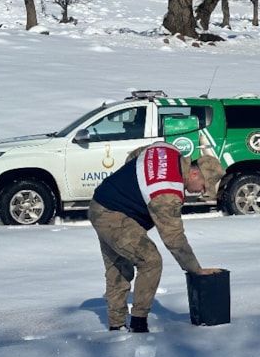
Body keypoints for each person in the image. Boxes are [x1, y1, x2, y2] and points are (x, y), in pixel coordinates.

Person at [88, 142, 226, 333]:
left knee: (119, 268)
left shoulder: (167, 150)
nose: (202, 192)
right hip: (113, 216)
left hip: (100, 202)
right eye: (204, 186)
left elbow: (134, 156)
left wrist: (128, 188)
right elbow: (174, 238)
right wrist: (195, 270)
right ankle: (138, 324)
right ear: (194, 174)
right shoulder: (167, 193)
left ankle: (116, 325)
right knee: (150, 261)